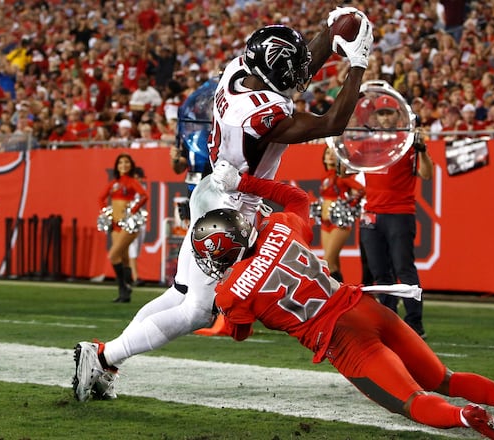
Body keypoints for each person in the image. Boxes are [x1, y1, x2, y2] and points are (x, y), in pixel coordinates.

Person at [72, 7, 375, 401]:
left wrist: (328, 33)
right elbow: (332, 122)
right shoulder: (262, 116)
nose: (301, 75)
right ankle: (103, 354)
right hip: (231, 213)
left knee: (180, 295)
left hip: (213, 191)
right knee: (198, 310)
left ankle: (106, 362)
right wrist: (357, 62)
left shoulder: (239, 70)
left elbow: (291, 70)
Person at [194, 170, 494, 439]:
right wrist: (243, 182)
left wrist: (218, 302)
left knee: (412, 402)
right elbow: (298, 198)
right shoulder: (280, 227)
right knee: (445, 378)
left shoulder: (233, 292)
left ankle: (463, 417)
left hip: (341, 338)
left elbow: (239, 330)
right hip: (365, 307)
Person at [360, 94, 433, 338]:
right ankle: (388, 321)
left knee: (404, 268)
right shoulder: (367, 142)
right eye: (381, 113)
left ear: (398, 115)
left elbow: (426, 174)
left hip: (400, 212)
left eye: (389, 113)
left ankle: (415, 323)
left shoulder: (409, 141)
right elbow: (344, 165)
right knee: (380, 272)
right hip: (372, 213)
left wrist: (421, 149)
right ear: (375, 117)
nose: (385, 117)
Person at [97, 153, 148, 303]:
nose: (123, 165)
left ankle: (123, 287)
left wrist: (132, 211)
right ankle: (125, 291)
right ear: (117, 166)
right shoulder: (114, 183)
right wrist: (106, 213)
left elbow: (144, 195)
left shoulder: (132, 181)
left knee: (113, 255)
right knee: (123, 258)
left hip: (128, 225)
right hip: (115, 224)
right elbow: (100, 198)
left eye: (126, 162)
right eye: (120, 163)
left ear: (131, 165)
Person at [318, 146, 365, 282]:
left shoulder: (341, 177)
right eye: (328, 153)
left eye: (334, 154)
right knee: (333, 263)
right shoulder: (325, 176)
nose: (331, 156)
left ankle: (336, 296)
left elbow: (361, 190)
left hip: (338, 222)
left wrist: (348, 205)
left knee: (327, 262)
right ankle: (342, 295)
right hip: (325, 222)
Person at [127, 167, 147, 287]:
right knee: (132, 249)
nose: (139, 179)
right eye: (136, 177)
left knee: (136, 249)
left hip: (140, 220)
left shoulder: (142, 188)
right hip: (130, 221)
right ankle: (135, 276)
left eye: (140, 177)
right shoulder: (128, 189)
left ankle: (130, 276)